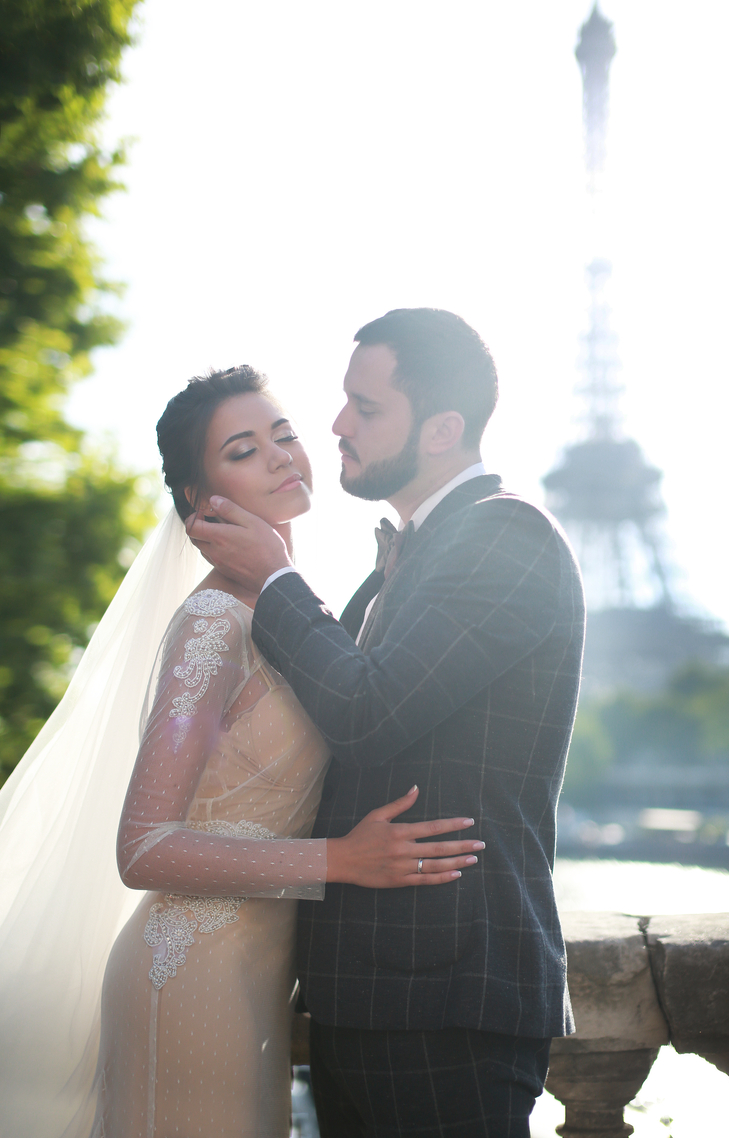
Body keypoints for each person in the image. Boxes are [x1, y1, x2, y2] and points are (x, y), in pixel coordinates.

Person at [0, 365, 481, 1138]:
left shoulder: (298, 610)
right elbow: (142, 847)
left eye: (285, 434)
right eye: (245, 449)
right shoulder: (213, 625)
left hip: (258, 976)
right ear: (200, 497)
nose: (283, 455)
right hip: (189, 972)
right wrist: (341, 860)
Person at [186, 308, 586, 1138]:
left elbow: (368, 714)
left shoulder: (506, 536)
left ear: (442, 428)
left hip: (445, 1003)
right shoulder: (409, 554)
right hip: (361, 994)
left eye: (366, 409)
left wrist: (276, 579)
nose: (336, 426)